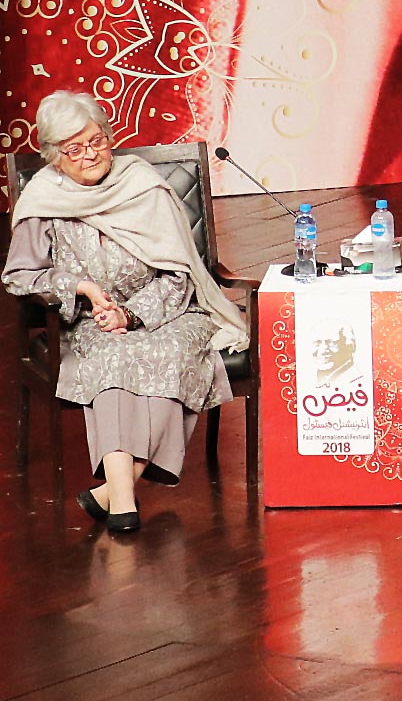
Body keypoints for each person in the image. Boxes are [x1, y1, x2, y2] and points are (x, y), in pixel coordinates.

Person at [4, 90, 249, 533]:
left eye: (96, 141)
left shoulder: (142, 184)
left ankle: (115, 496)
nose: (89, 154)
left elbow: (179, 274)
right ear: (54, 157)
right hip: (89, 320)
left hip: (168, 311)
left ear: (109, 136)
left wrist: (131, 314)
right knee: (114, 358)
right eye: (73, 149)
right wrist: (78, 287)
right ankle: (121, 499)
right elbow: (20, 276)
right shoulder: (43, 201)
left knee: (170, 356)